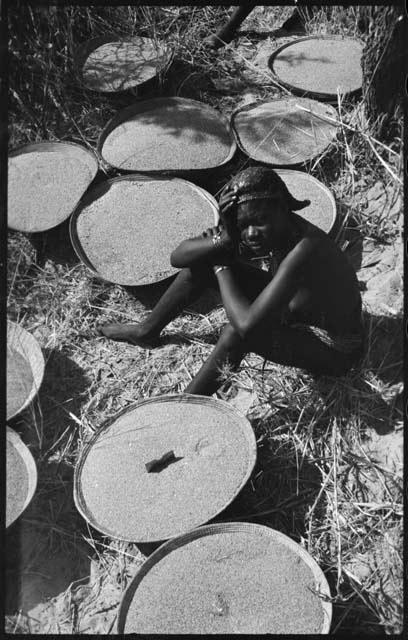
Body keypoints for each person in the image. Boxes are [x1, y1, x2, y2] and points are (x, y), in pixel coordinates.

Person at [101, 167, 364, 396]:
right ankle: (146, 332)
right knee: (203, 263)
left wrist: (223, 267)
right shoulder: (271, 232)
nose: (251, 233)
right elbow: (178, 258)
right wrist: (226, 238)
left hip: (337, 352)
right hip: (295, 310)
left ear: (283, 209)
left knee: (235, 335)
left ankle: (183, 407)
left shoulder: (306, 250)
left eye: (260, 221)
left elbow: (248, 327)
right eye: (243, 224)